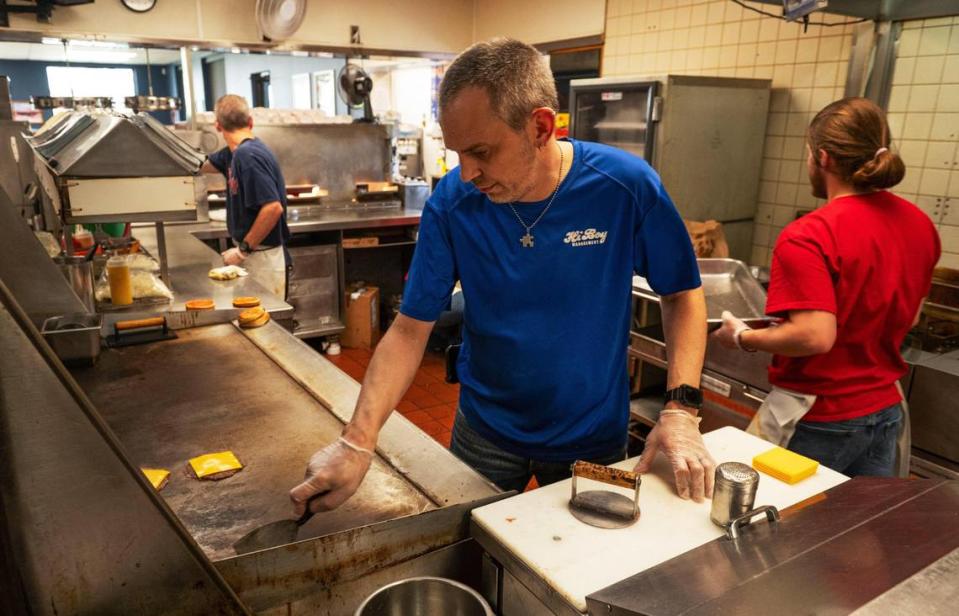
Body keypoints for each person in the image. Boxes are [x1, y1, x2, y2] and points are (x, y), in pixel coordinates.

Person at [291, 38, 714, 515]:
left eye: (481, 153)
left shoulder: (624, 187)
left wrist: (680, 408)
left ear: (539, 127)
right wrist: (357, 442)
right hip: (484, 433)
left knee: (583, 565)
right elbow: (410, 330)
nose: (466, 173)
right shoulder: (452, 203)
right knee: (470, 553)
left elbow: (681, 292)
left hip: (591, 438)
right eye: (456, 155)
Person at [714, 97, 940, 477]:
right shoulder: (918, 223)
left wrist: (743, 338)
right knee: (854, 529)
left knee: (773, 527)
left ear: (823, 158)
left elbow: (814, 336)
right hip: (885, 409)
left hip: (818, 415)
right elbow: (911, 315)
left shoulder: (810, 234)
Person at [202, 94, 291, 298]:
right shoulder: (232, 154)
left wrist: (242, 250)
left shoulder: (248, 156)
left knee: (265, 324)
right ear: (250, 122)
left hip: (261, 258)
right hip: (254, 255)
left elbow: (272, 208)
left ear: (217, 126)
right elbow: (201, 165)